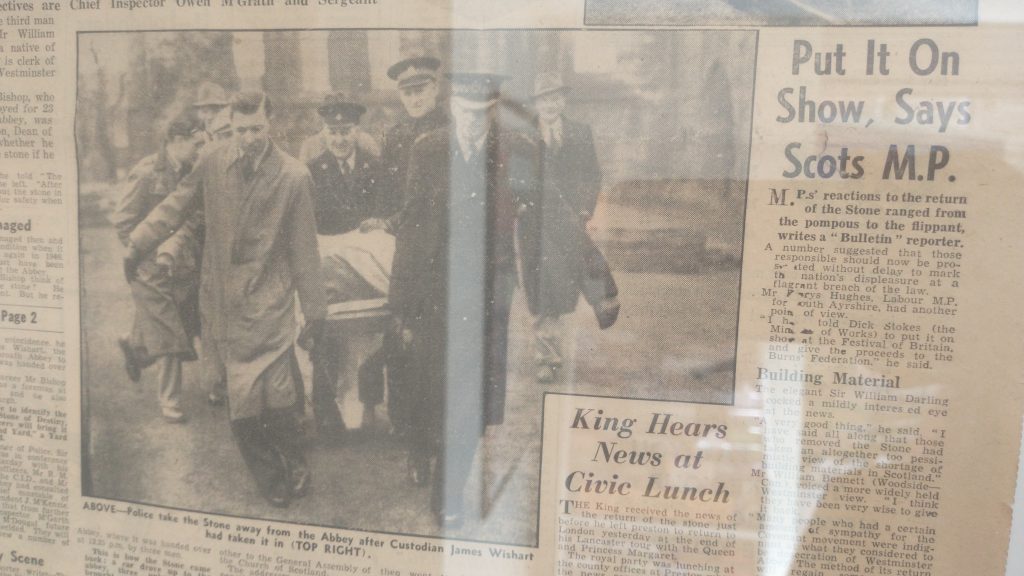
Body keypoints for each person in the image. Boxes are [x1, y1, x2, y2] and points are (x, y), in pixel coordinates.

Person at [123, 92, 327, 508]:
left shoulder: (293, 176)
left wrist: (316, 311)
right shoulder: (213, 161)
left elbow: (305, 251)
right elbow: (175, 205)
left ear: (270, 125)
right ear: (229, 126)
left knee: (280, 395)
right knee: (242, 399)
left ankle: (292, 457)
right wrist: (137, 242)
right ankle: (271, 472)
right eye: (239, 130)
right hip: (223, 301)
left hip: (270, 300)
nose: (248, 139)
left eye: (256, 129)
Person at [389, 72, 540, 529]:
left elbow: (544, 216)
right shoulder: (429, 150)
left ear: (493, 110)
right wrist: (402, 305)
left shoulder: (516, 151)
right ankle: (425, 452)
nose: (473, 123)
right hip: (436, 294)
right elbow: (413, 229)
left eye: (482, 113)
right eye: (465, 112)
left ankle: (447, 491)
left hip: (489, 299)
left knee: (473, 400)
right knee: (432, 389)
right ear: (451, 106)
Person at [358, 54, 448, 440]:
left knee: (435, 344)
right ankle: (403, 421)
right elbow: (385, 198)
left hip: (441, 252)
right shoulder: (394, 137)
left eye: (421, 89)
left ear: (435, 89)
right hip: (402, 253)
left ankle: (436, 425)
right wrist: (382, 225)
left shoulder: (451, 130)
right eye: (407, 91)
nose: (414, 98)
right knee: (397, 334)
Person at [518, 72, 621, 384]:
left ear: (563, 100)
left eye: (556, 97)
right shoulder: (522, 135)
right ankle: (547, 358)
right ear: (536, 103)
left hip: (570, 220)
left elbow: (592, 175)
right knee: (544, 292)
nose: (550, 104)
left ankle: (604, 298)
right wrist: (519, 203)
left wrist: (584, 208)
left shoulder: (579, 132)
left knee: (565, 285)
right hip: (535, 224)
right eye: (544, 98)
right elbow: (510, 176)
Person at [113, 113, 206, 423]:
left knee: (178, 322)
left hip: (182, 266)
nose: (200, 149)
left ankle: (134, 345)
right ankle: (170, 400)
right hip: (149, 269)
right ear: (176, 142)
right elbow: (124, 222)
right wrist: (146, 256)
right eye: (196, 144)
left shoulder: (192, 171)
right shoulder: (146, 173)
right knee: (168, 332)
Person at [306, 92, 385, 437]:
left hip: (364, 263)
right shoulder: (311, 172)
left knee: (370, 333)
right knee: (325, 332)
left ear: (357, 132)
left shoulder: (374, 167)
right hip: (329, 264)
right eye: (333, 132)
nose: (339, 139)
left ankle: (368, 405)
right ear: (324, 133)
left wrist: (378, 222)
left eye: (346, 131)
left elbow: (386, 208)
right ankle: (326, 411)